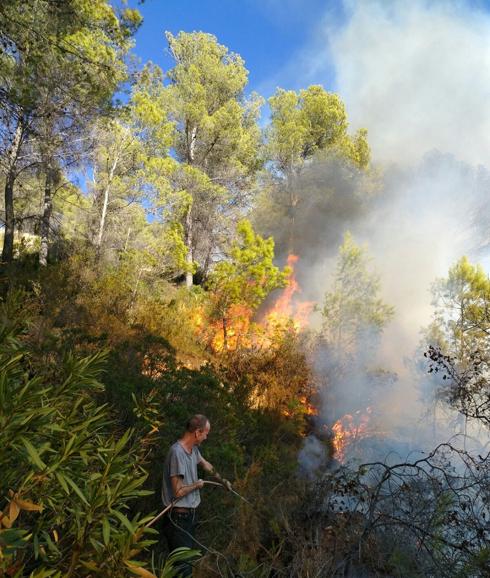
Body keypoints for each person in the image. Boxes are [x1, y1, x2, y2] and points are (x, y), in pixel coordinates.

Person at [161, 414, 231, 576]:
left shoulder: (193, 450)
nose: (206, 437)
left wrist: (222, 480)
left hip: (189, 518)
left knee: (185, 565)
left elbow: (205, 464)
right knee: (183, 569)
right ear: (197, 432)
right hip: (178, 520)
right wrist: (196, 485)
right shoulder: (177, 453)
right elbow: (178, 491)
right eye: (206, 433)